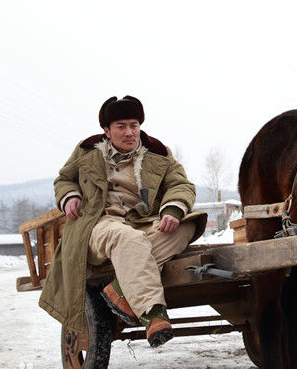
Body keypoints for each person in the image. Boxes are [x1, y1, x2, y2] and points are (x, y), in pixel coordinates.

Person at [39, 96, 206, 347]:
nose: (129, 132)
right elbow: (64, 179)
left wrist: (172, 209)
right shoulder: (87, 151)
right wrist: (70, 196)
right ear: (106, 131)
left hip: (144, 220)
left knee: (185, 226)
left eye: (134, 125)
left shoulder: (158, 153)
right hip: (99, 223)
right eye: (121, 126)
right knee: (128, 238)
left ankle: (121, 290)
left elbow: (181, 184)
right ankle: (153, 314)